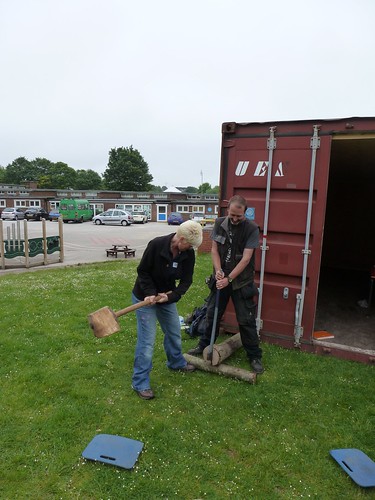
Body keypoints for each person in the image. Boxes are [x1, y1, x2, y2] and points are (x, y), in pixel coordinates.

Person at [188, 195, 264, 374]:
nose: (235, 219)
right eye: (232, 215)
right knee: (212, 314)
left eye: (239, 216)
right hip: (220, 279)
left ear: (245, 212)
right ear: (227, 210)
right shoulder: (219, 223)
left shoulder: (251, 228)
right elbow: (214, 250)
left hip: (241, 281)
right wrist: (218, 270)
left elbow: (246, 259)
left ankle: (254, 355)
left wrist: (228, 278)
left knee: (246, 320)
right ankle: (204, 345)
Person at [131, 220, 203, 399]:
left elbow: (186, 281)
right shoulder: (156, 244)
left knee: (173, 332)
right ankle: (140, 382)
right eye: (190, 244)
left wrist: (170, 297)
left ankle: (176, 362)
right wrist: (149, 293)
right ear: (181, 238)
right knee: (147, 342)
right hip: (144, 297)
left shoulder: (188, 254)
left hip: (166, 298)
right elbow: (143, 271)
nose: (191, 248)